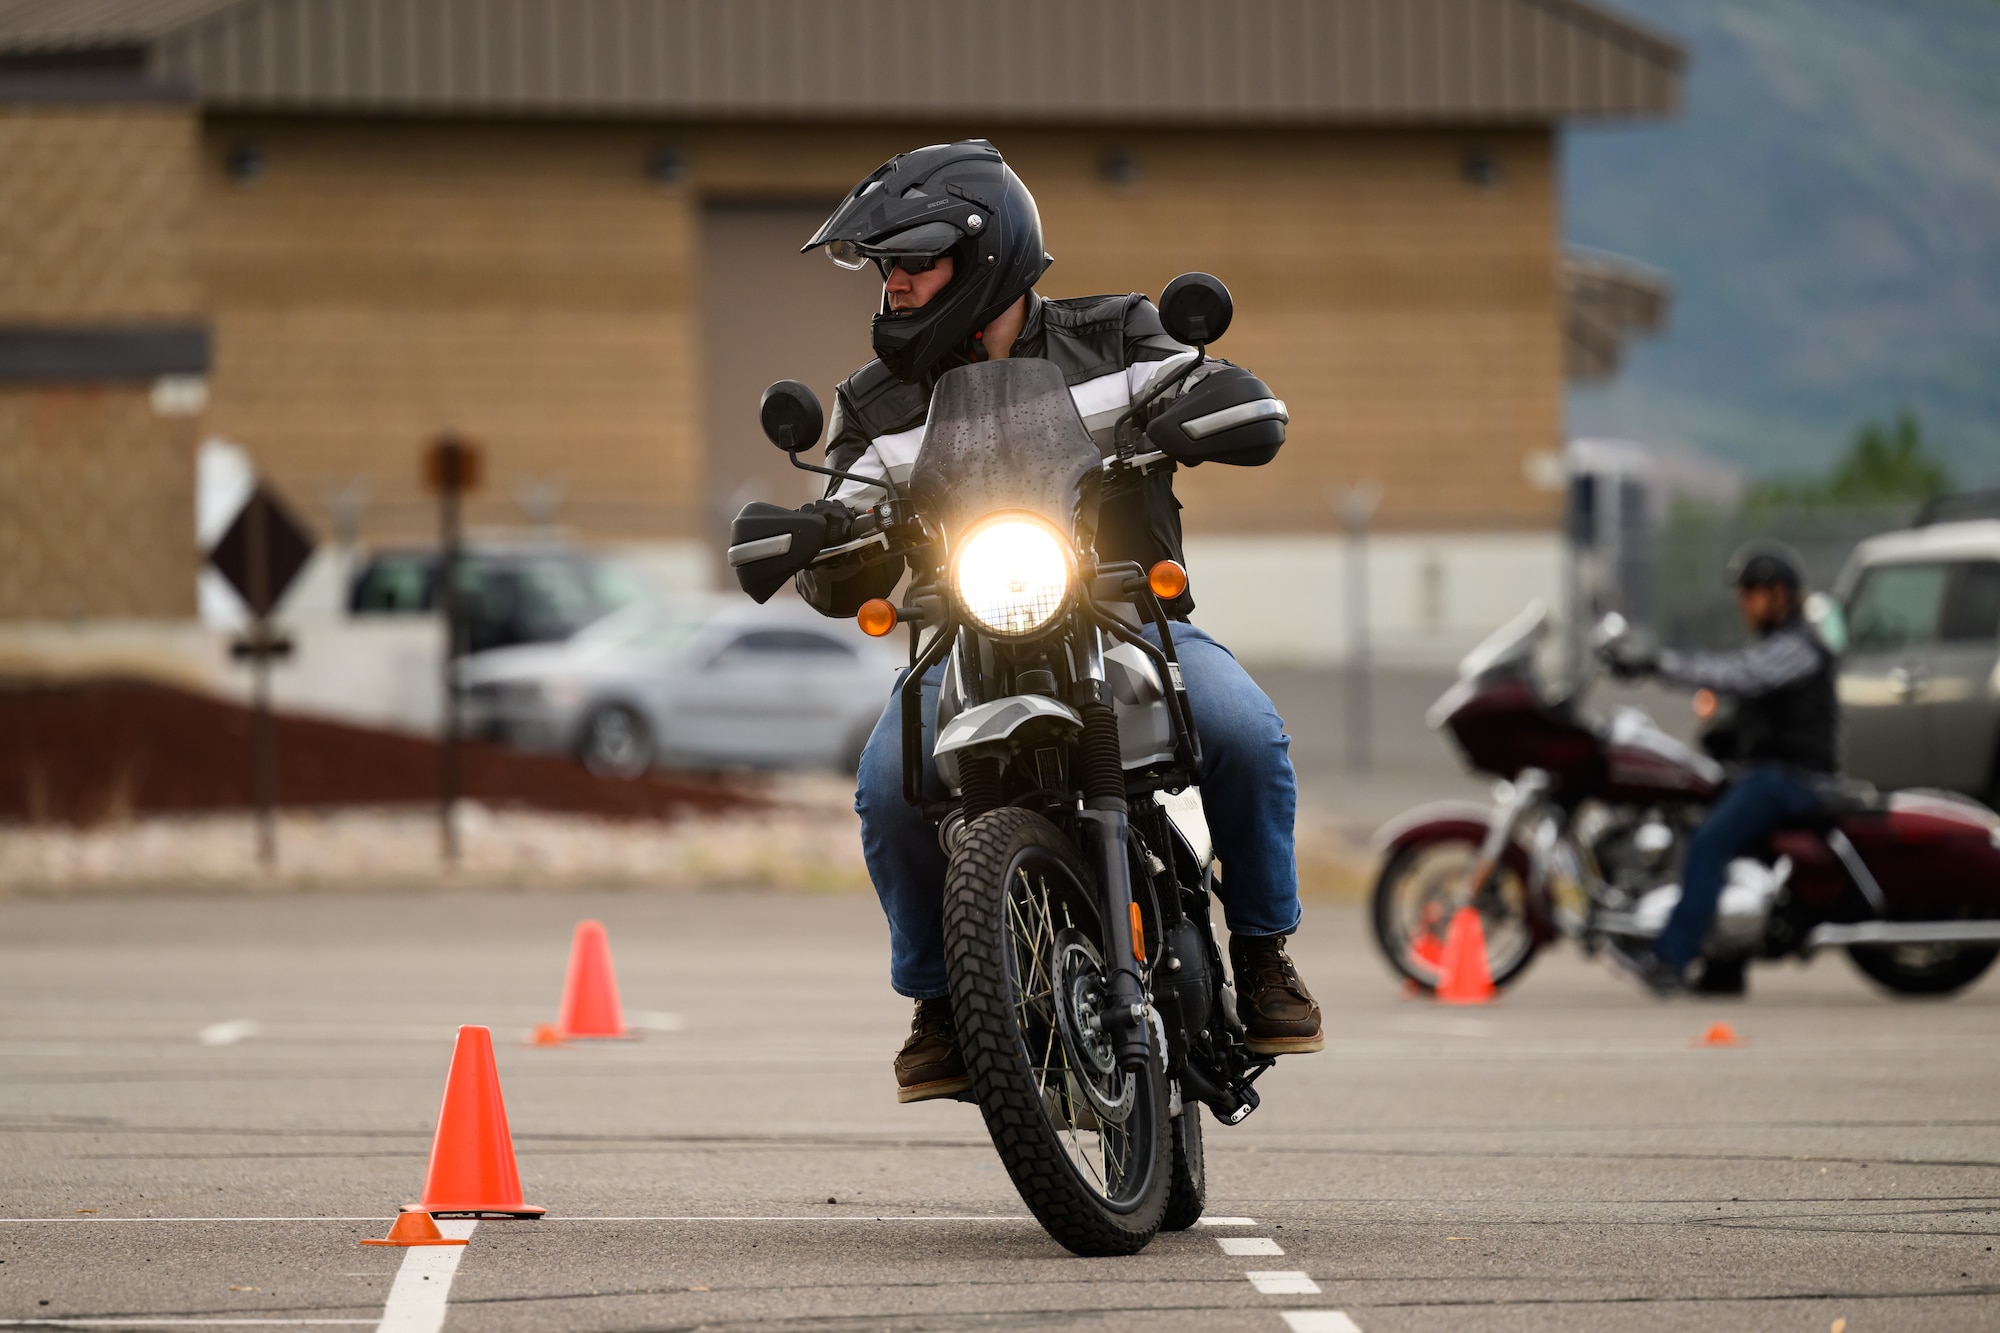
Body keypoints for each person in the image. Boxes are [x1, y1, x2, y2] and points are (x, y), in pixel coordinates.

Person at [776, 139, 1322, 1101]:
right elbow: (845, 524)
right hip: (967, 637)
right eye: (884, 266)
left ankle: (1266, 952)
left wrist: (1211, 402)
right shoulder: (875, 403)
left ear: (985, 257)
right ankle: (940, 1003)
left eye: (913, 262)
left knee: (1244, 732)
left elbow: (1214, 388)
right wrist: (816, 538)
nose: (893, 283)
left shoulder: (1118, 334)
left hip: (1124, 618)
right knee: (887, 789)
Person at [1600, 543, 1840, 995]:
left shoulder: (1796, 645)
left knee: (1710, 842)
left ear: (1780, 595)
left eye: (1752, 590)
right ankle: (1723, 967)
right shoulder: (1779, 643)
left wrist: (1655, 663)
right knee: (1703, 827)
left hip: (1794, 779)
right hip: (1771, 773)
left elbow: (1741, 673)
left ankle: (1669, 959)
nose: (1742, 600)